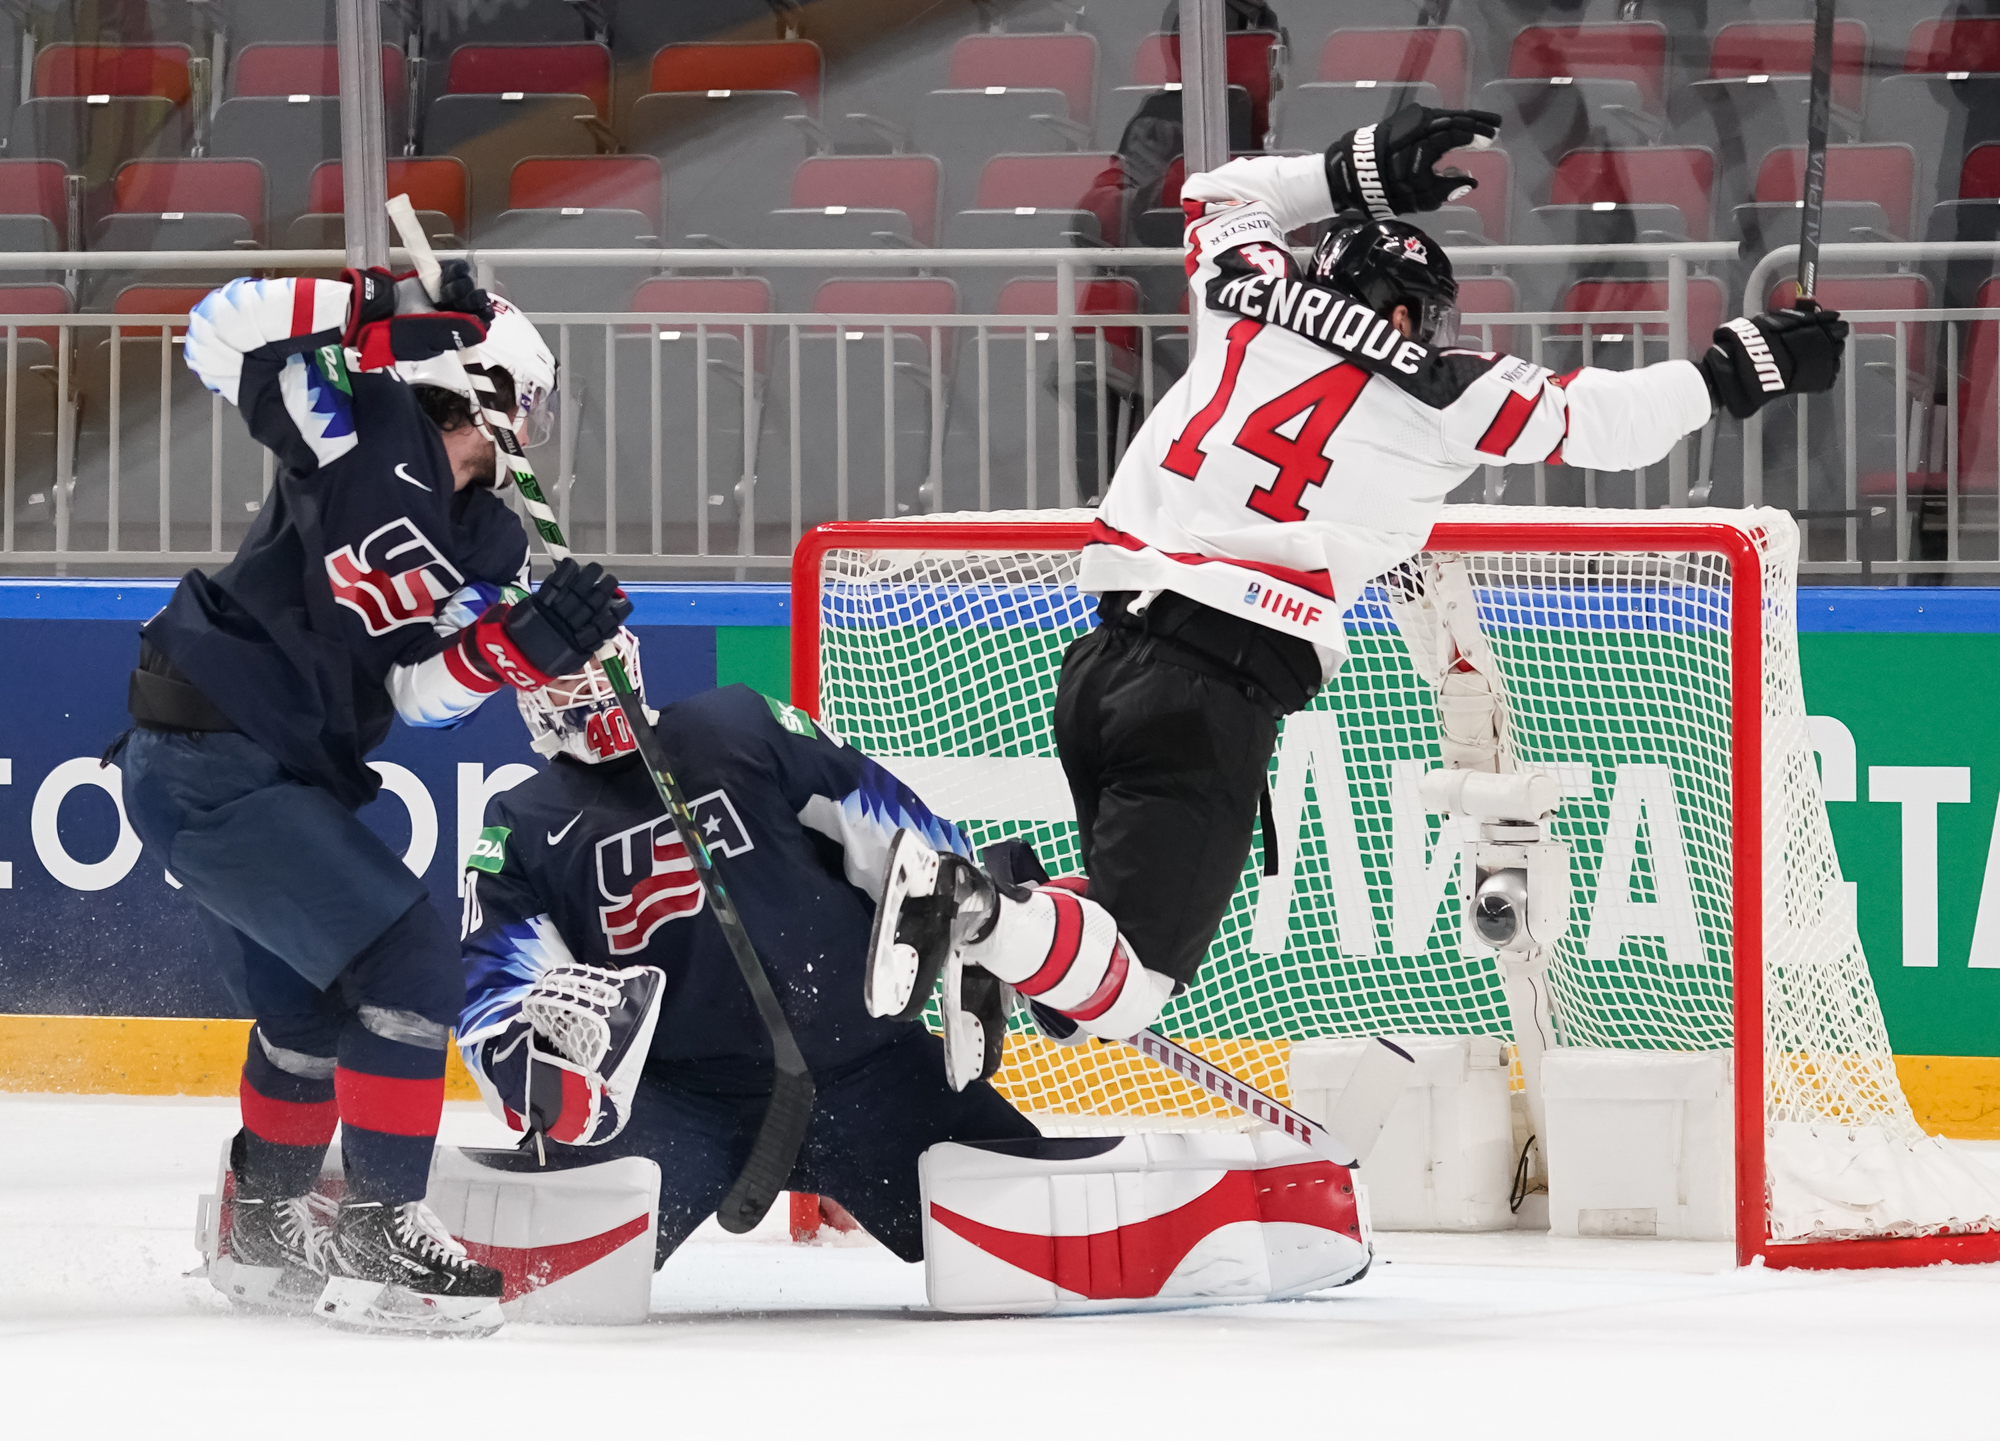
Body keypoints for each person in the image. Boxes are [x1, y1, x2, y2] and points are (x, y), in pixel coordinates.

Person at [869, 104, 1849, 1056]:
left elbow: (1218, 194)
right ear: (1398, 308)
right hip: (1208, 686)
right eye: (1421, 312)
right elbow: (1603, 422)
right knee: (1129, 993)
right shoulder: (1443, 394)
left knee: (1089, 972)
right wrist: (1739, 366)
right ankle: (973, 903)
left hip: (1094, 664)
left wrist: (1357, 168)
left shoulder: (1240, 295)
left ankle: (1001, 908)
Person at [113, 263, 631, 1336]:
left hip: (263, 767)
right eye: (522, 406)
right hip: (211, 750)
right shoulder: (353, 420)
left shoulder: (487, 536)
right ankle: (381, 1225)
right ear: (485, 388)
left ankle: (263, 1227)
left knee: (311, 1005)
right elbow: (220, 332)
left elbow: (421, 696)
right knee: (410, 960)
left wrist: (522, 645)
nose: (530, 430)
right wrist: (359, 302)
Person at [454, 638, 1038, 1268]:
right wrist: (535, 1066)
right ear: (531, 693)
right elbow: (493, 1002)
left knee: (1030, 1236)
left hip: (862, 1065)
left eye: (600, 657)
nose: (593, 679)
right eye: (567, 669)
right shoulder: (518, 824)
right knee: (522, 1272)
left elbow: (901, 840)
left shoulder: (739, 722)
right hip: (676, 1098)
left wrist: (992, 929)